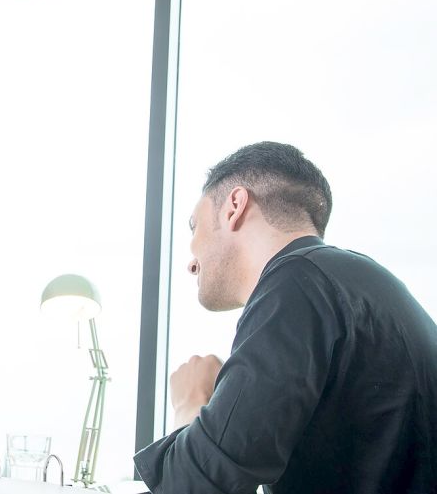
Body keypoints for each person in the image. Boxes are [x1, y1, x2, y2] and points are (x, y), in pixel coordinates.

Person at [133, 141, 437, 493]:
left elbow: (196, 486)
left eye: (194, 227)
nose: (191, 261)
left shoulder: (297, 283)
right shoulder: (364, 282)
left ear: (234, 206)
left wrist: (191, 403)